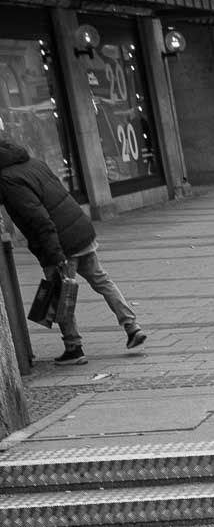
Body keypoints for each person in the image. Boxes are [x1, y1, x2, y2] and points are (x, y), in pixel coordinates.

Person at [0, 138, 146, 363]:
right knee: (102, 280)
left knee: (60, 294)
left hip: (59, 242)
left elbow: (39, 219)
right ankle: (132, 326)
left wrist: (55, 254)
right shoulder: (35, 163)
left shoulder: (8, 180)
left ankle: (73, 347)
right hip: (80, 230)